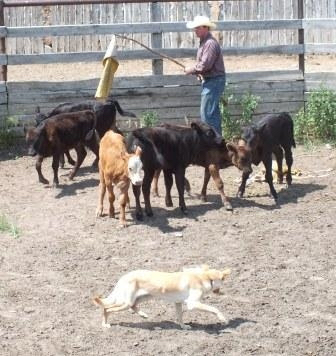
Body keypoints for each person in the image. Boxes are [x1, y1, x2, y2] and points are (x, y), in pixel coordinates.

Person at [185, 15, 226, 136]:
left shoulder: (209, 44)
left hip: (214, 81)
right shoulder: (205, 42)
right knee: (211, 114)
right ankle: (217, 142)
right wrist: (199, 73)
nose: (195, 30)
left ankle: (214, 143)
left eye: (197, 28)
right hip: (212, 81)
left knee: (207, 115)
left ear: (205, 28)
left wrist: (191, 69)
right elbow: (205, 66)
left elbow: (205, 65)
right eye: (195, 28)